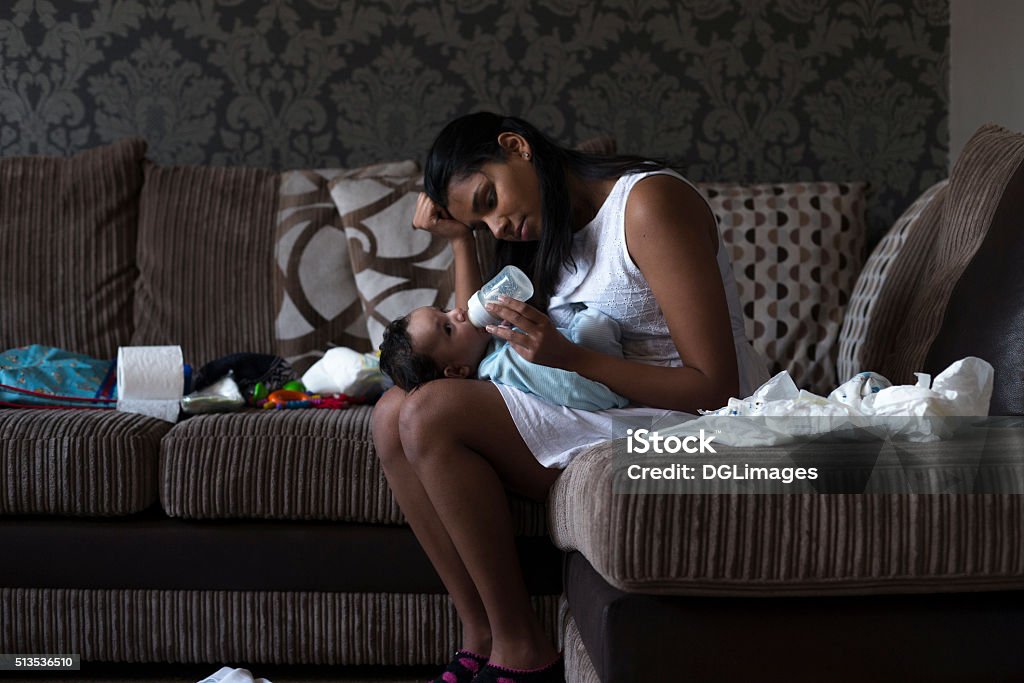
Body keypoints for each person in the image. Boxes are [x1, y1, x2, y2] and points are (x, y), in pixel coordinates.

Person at [371, 112, 768, 683]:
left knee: (433, 411)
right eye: (483, 222)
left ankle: (523, 651)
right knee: (392, 413)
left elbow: (715, 388)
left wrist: (572, 358)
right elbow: (473, 336)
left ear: (517, 148)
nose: (498, 226)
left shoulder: (647, 204)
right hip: (604, 405)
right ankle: (479, 635)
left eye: (488, 199)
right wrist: (462, 239)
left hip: (693, 420)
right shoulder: (545, 230)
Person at [379, 303, 629, 411]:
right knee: (594, 321)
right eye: (448, 328)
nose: (458, 312)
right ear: (457, 371)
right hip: (605, 385)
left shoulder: (488, 344)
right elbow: (571, 388)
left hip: (588, 364)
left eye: (444, 311)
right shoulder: (507, 365)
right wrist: (612, 394)